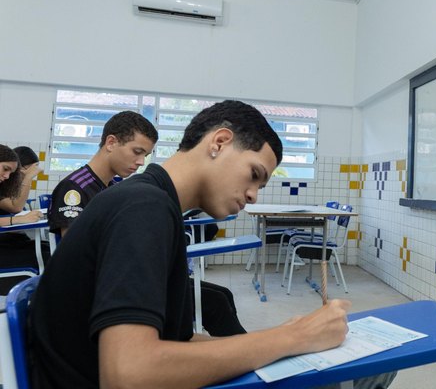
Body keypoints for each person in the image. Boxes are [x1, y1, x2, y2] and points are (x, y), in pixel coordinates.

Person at [29, 100, 395, 388]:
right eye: (254, 175)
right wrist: (292, 338)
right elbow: (129, 376)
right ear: (219, 143)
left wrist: (284, 338)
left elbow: (178, 345)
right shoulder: (144, 208)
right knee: (358, 378)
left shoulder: (152, 203)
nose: (252, 195)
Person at [47, 110, 247, 337]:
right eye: (137, 152)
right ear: (111, 142)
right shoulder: (75, 187)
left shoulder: (114, 186)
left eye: (146, 155)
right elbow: (76, 251)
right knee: (215, 302)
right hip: (103, 286)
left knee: (223, 294)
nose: (140, 162)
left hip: (123, 275)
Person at [0, 146, 47, 294]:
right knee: (49, 257)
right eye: (5, 169)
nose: (7, 176)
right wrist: (17, 221)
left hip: (7, 241)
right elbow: (16, 207)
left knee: (51, 250)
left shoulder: (3, 185)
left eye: (11, 172)